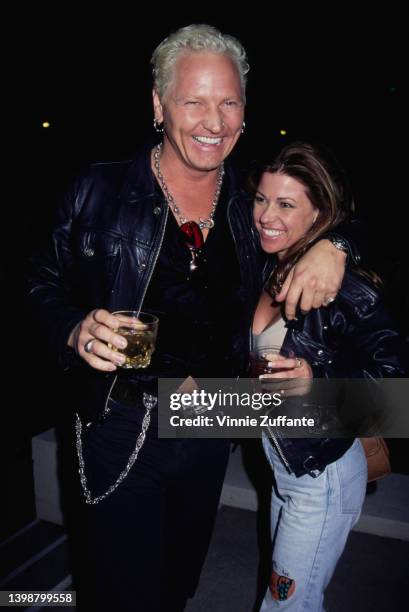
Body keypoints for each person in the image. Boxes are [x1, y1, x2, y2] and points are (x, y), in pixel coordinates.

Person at [27, 25, 356, 612]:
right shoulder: (96, 188)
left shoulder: (252, 193)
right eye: (194, 101)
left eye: (228, 102)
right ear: (159, 105)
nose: (214, 120)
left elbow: (327, 206)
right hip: (120, 418)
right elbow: (39, 287)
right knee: (122, 592)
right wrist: (74, 329)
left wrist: (339, 249)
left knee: (178, 581)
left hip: (208, 419)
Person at [250, 141, 407, 611]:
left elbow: (393, 388)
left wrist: (319, 380)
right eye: (261, 199)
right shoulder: (265, 266)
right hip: (285, 464)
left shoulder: (345, 288)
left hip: (324, 472)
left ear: (318, 214)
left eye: (285, 204)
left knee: (287, 604)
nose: (265, 215)